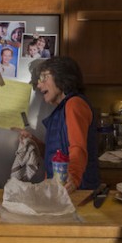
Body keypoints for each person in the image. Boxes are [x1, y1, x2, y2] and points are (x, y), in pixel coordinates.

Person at [20, 56, 99, 193]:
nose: (38, 85)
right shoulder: (62, 109)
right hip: (62, 191)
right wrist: (35, 142)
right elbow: (58, 155)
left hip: (79, 191)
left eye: (44, 77)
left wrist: (73, 176)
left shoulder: (74, 104)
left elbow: (78, 147)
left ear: (62, 76)